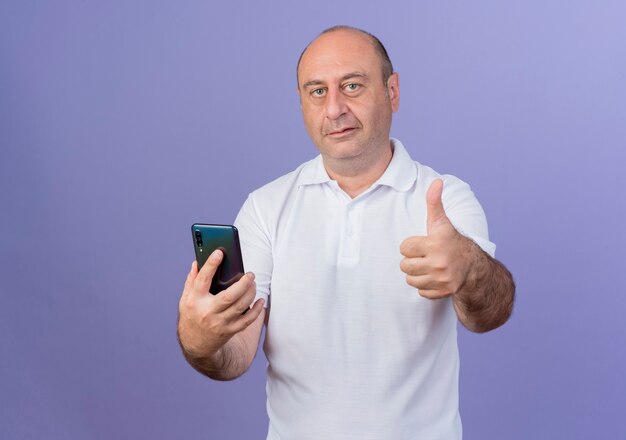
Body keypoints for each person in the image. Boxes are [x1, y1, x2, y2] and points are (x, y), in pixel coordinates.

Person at [177, 25, 515, 440]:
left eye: (352, 86)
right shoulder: (265, 208)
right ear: (301, 103)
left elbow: (488, 314)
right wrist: (199, 339)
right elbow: (235, 356)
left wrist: (468, 268)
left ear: (392, 92)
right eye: (317, 91)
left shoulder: (444, 198)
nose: (334, 108)